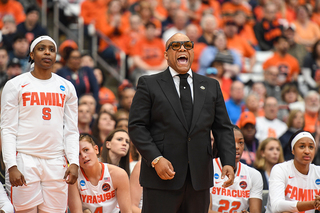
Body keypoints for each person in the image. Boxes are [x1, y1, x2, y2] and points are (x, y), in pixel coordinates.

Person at [128, 33, 236, 213]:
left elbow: (223, 128)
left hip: (198, 179)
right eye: (176, 46)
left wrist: (228, 161)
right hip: (161, 177)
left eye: (187, 45)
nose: (183, 49)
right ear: (166, 55)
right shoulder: (149, 83)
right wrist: (155, 159)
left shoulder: (211, 86)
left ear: (193, 52)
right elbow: (137, 126)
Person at [1, 35, 79, 212]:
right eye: (41, 48)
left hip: (56, 160)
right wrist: (11, 165)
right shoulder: (15, 85)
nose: (47, 52)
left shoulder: (67, 87)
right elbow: (7, 129)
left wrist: (74, 161)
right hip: (24, 159)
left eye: (52, 50)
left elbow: (72, 130)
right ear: (32, 54)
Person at [68, 134, 132, 213]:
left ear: (96, 149)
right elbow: (76, 211)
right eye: (78, 154)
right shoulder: (73, 178)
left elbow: (126, 211)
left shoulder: (118, 174)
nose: (84, 156)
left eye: (86, 150)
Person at [209, 125, 263, 213]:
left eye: (240, 142)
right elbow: (206, 210)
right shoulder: (209, 167)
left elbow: (255, 211)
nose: (237, 147)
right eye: (231, 142)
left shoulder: (253, 174)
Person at [266, 130, 320, 212]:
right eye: (302, 146)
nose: (307, 151)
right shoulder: (280, 169)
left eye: (311, 147)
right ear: (293, 150)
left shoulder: (318, 171)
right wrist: (313, 204)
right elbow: (276, 206)